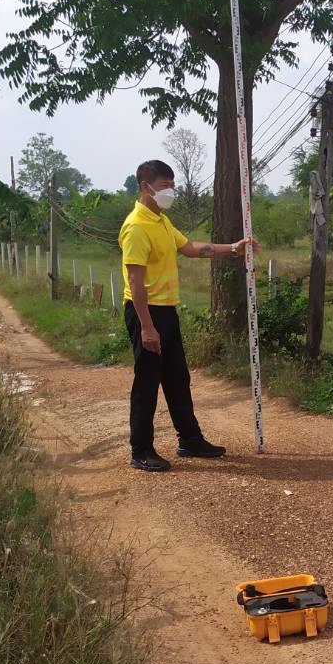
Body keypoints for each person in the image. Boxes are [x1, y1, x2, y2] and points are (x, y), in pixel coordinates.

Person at [120, 159, 258, 472]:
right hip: (146, 312)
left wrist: (234, 248)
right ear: (146, 187)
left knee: (177, 377)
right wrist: (146, 327)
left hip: (167, 310)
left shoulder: (162, 221)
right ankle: (141, 450)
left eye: (172, 184)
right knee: (147, 382)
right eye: (165, 185)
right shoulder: (137, 226)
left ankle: (190, 439)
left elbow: (193, 248)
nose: (170, 190)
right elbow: (134, 281)